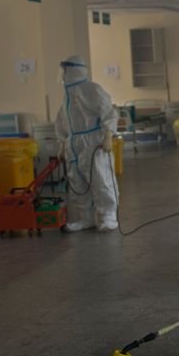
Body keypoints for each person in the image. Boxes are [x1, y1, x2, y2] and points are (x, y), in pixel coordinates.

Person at [55, 55, 118, 232]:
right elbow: (62, 119)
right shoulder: (67, 96)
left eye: (64, 70)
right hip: (74, 145)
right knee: (77, 183)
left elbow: (108, 111)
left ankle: (108, 217)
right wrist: (62, 142)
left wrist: (108, 134)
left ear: (73, 70)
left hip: (93, 143)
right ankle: (86, 218)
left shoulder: (92, 89)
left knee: (100, 179)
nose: (62, 74)